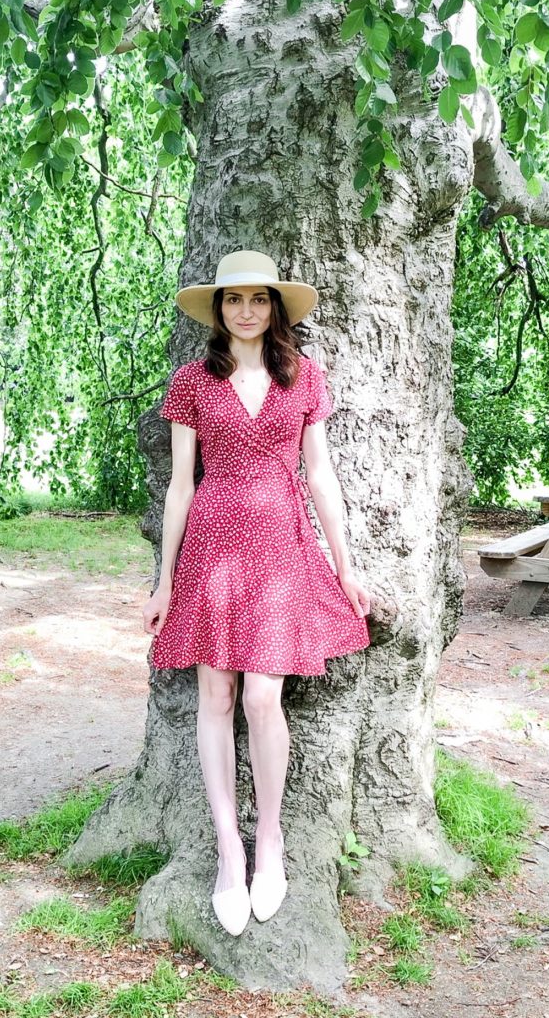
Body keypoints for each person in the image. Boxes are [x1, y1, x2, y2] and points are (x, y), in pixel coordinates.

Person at [142, 250, 374, 937]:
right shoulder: (191, 381)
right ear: (218, 311)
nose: (245, 310)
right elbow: (180, 486)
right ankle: (227, 849)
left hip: (280, 549)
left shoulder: (302, 378)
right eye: (233, 299)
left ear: (275, 309)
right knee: (213, 697)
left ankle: (269, 839)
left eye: (258, 299)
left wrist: (348, 565)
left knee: (262, 697)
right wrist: (164, 580)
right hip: (213, 550)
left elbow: (322, 478)